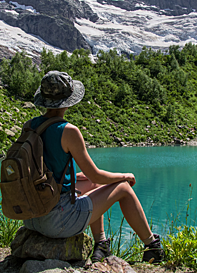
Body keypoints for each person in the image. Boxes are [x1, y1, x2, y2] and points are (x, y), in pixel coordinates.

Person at [23, 71, 164, 263]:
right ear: (69, 101)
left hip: (31, 217)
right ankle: (152, 246)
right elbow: (97, 176)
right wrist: (124, 176)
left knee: (90, 184)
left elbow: (47, 172)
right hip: (57, 222)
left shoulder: (30, 126)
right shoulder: (68, 131)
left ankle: (102, 245)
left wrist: (82, 178)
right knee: (122, 188)